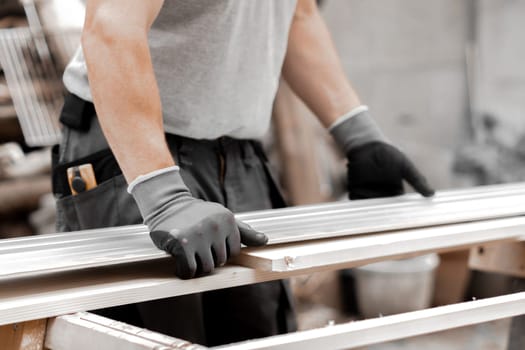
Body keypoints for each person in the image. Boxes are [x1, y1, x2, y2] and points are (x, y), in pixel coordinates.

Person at [52, 0, 434, 346]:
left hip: (237, 154)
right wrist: (162, 194)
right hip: (138, 155)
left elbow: (294, 12)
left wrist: (358, 134)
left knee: (258, 335)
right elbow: (112, 23)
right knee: (153, 337)